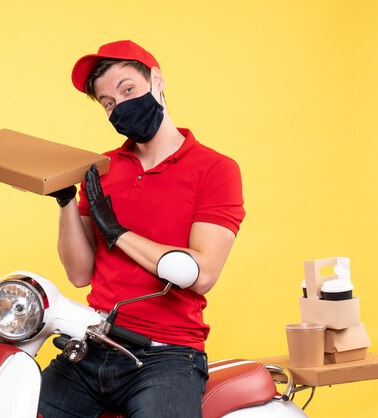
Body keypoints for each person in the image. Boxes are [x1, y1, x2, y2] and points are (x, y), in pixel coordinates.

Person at [40, 40, 246, 418]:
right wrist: (67, 201)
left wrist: (118, 234)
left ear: (157, 79)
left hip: (167, 355)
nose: (119, 106)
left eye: (127, 90)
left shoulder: (216, 169)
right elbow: (79, 274)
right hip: (93, 341)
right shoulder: (101, 171)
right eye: (107, 103)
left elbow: (202, 274)